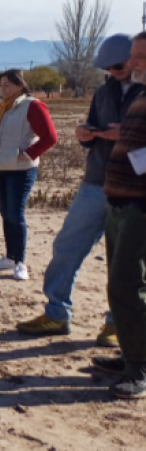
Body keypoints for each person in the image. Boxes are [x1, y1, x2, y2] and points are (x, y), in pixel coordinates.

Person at [17, 34, 143, 341]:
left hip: (135, 190)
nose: (113, 71)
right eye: (108, 66)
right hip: (96, 181)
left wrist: (123, 135)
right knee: (67, 247)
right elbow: (92, 125)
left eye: (118, 64)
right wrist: (84, 135)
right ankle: (56, 314)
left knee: (124, 262)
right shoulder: (103, 92)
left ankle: (118, 325)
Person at [94, 31, 146, 398]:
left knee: (127, 285)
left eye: (141, 57)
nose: (134, 63)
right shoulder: (141, 95)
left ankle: (138, 370)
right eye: (134, 56)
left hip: (139, 207)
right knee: (120, 281)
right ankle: (131, 354)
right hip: (120, 202)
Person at [0, 69, 58, 281]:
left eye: (8, 85)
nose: (3, 89)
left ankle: (20, 262)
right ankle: (10, 255)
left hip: (21, 170)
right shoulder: (2, 108)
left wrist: (27, 154)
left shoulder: (32, 105)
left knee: (16, 214)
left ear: (20, 85)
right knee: (6, 214)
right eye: (1, 85)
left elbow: (50, 137)